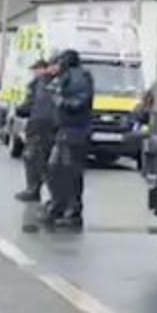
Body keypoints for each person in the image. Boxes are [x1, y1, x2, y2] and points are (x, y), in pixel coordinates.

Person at [45, 50, 94, 231]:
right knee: (56, 169)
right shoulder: (67, 77)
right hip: (66, 130)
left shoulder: (79, 77)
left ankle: (71, 211)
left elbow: (79, 103)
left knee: (69, 172)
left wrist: (60, 101)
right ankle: (58, 206)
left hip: (75, 130)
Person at [16, 58, 58, 218]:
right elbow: (31, 103)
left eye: (37, 69)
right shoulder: (38, 83)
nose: (35, 72)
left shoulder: (51, 83)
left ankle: (41, 191)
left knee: (40, 159)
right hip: (36, 124)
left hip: (45, 125)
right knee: (31, 157)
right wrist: (22, 109)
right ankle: (32, 188)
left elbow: (43, 105)